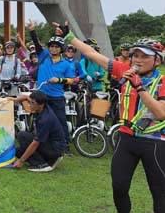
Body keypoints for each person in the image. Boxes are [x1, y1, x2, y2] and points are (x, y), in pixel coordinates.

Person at [61, 23, 165, 212]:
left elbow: (160, 113)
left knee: (159, 192)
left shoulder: (162, 81)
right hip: (126, 138)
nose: (138, 60)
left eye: (144, 56)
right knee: (119, 187)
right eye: (135, 55)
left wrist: (139, 87)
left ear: (157, 61)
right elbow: (93, 55)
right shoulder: (124, 70)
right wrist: (69, 37)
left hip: (154, 142)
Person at [28, 20, 75, 150]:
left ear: (61, 49)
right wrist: (32, 31)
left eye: (56, 46)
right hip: (42, 96)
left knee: (60, 121)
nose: (53, 48)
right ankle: (39, 142)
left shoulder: (66, 64)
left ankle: (64, 145)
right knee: (39, 120)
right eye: (51, 46)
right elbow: (37, 46)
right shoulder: (44, 57)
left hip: (56, 96)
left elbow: (71, 80)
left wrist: (59, 80)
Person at [13, 90, 66, 172]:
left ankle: (41, 164)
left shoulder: (45, 119)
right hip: (49, 144)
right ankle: (45, 159)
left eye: (32, 103)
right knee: (18, 152)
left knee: (23, 136)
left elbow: (35, 143)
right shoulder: (42, 106)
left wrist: (21, 161)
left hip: (55, 149)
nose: (29, 105)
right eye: (30, 102)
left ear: (41, 104)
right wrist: (16, 100)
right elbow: (28, 97)